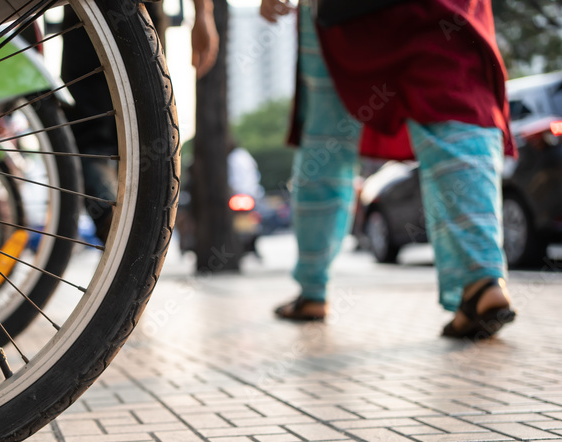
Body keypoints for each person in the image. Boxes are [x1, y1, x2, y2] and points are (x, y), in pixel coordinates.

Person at [262, 0, 516, 339]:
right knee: (456, 108)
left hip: (343, 16)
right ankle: (482, 280)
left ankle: (312, 288)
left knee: (327, 142)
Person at [62, 0, 218, 241]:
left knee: (100, 137)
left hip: (100, 14)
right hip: (136, 13)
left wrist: (203, 13)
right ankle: (127, 234)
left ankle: (120, 230)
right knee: (143, 136)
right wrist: (202, 12)